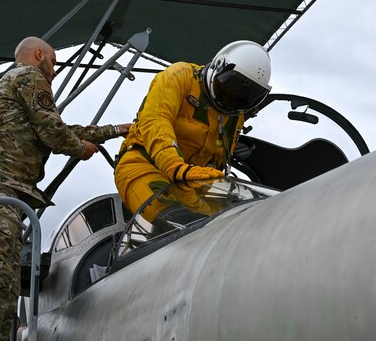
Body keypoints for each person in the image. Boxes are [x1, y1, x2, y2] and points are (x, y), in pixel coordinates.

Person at [0, 36, 131, 341]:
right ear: (39, 55)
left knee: (4, 283)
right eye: (53, 61)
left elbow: (58, 129)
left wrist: (116, 130)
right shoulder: (28, 77)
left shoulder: (19, 85)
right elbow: (55, 133)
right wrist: (80, 149)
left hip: (0, 189)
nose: (55, 69)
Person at [114, 40, 271, 221]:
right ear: (218, 66)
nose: (233, 98)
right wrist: (174, 166)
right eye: (229, 88)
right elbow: (156, 119)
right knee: (171, 219)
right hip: (146, 165)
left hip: (195, 180)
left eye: (244, 97)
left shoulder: (236, 114)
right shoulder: (180, 76)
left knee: (238, 223)